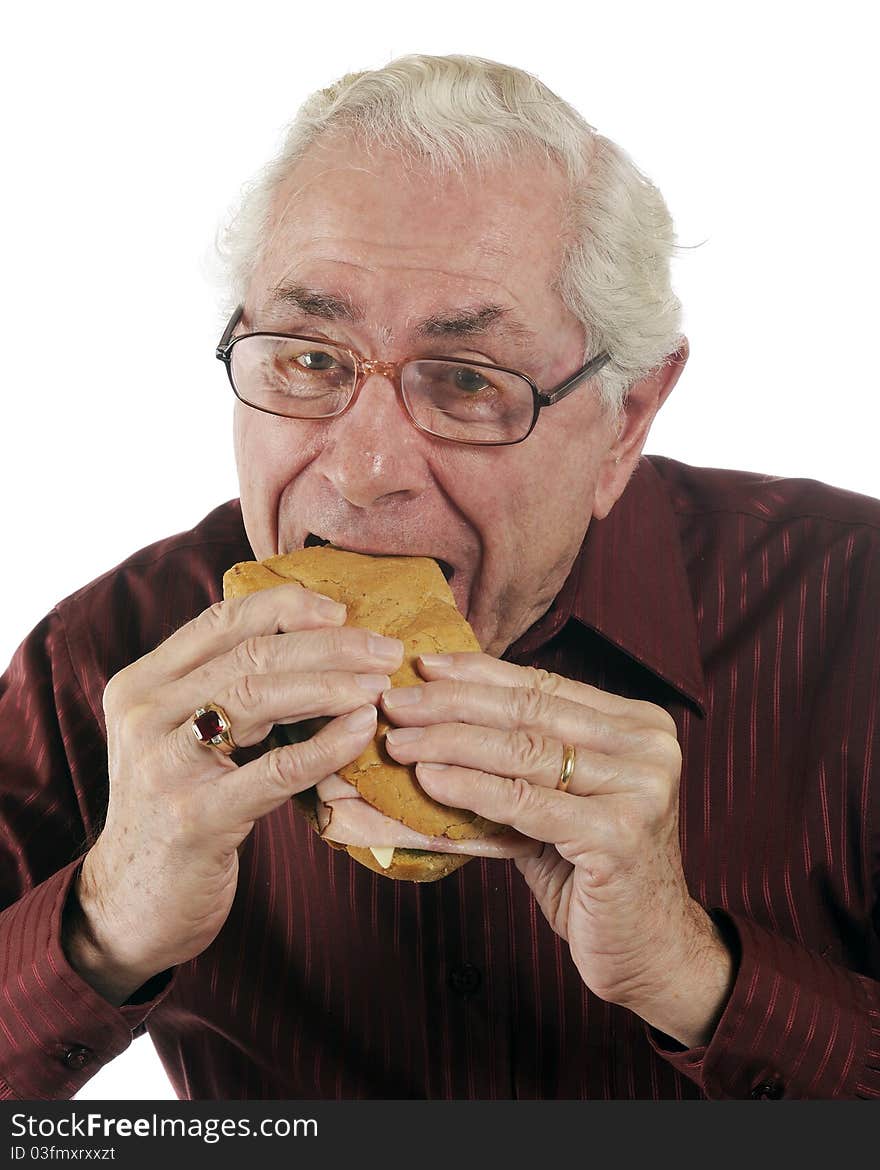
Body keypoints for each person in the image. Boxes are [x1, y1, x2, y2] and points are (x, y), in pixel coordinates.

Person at [1, 53, 878, 1102]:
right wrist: (98, 930)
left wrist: (696, 974)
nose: (363, 473)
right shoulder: (104, 658)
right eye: (309, 359)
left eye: (466, 381)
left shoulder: (852, 612)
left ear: (626, 417)